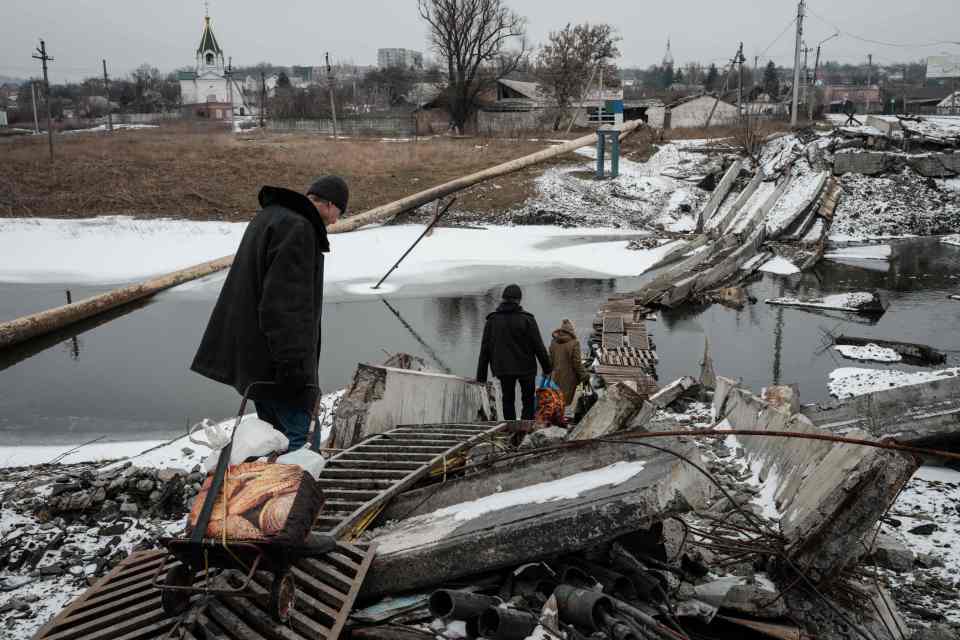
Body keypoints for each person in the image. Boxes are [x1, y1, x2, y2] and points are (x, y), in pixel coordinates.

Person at [190, 176, 348, 450]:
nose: (335, 222)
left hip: (257, 361)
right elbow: (285, 307)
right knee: (304, 440)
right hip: (278, 368)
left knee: (276, 438)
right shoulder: (298, 228)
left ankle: (276, 487)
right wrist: (294, 371)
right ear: (329, 204)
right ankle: (298, 489)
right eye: (339, 213)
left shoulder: (270, 217)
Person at [476, 284, 552, 420]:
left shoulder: (492, 320)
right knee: (528, 400)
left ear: (503, 299)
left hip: (503, 369)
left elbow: (485, 349)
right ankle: (525, 428)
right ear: (519, 300)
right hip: (526, 368)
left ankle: (511, 429)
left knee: (508, 400)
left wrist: (481, 377)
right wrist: (547, 368)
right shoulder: (527, 319)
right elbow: (538, 346)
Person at [548, 318, 590, 408]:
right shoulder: (574, 343)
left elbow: (550, 361)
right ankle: (560, 419)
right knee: (564, 401)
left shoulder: (554, 342)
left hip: (555, 377)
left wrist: (546, 374)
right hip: (569, 378)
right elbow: (577, 363)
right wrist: (584, 376)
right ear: (571, 330)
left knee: (555, 399)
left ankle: (555, 418)